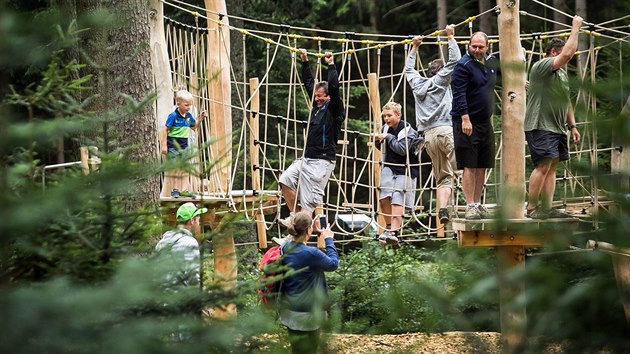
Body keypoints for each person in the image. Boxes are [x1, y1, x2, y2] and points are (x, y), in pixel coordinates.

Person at [525, 16, 583, 219]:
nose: (567, 59)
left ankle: (547, 208)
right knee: (542, 165)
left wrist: (573, 126)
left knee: (552, 167)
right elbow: (567, 54)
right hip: (540, 124)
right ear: (553, 53)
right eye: (561, 53)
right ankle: (532, 208)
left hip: (557, 128)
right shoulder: (542, 66)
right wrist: (575, 28)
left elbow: (565, 101)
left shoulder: (562, 75)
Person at [278, 49, 345, 226]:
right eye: (315, 96)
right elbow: (309, 83)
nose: (316, 99)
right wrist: (305, 61)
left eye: (320, 96)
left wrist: (331, 65)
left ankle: (298, 237)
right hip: (307, 159)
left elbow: (335, 88)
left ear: (328, 96)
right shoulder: (316, 107)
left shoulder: (335, 110)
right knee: (285, 180)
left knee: (308, 205)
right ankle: (295, 218)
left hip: (321, 163)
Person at [406, 24, 461, 225]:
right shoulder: (441, 82)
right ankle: (475, 204)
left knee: (444, 178)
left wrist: (414, 48)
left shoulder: (417, 84)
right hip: (446, 131)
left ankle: (443, 209)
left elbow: (409, 70)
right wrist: (451, 37)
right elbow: (454, 61)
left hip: (428, 137)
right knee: (465, 169)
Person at [450, 31, 498, 220]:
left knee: (482, 164)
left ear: (487, 47)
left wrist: (521, 83)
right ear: (468, 46)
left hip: (485, 121)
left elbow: (502, 79)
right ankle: (470, 205)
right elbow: (459, 93)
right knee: (469, 164)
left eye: (481, 47)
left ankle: (478, 203)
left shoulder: (491, 63)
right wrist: (465, 118)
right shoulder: (463, 66)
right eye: (474, 46)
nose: (477, 50)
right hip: (466, 121)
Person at [279, 211, 338, 354]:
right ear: (308, 230)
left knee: (296, 350)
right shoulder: (311, 253)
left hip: (290, 311)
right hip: (308, 314)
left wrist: (315, 231)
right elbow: (333, 264)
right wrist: (328, 239)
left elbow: (298, 243)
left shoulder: (285, 247)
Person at [374, 102, 423, 246]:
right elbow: (384, 147)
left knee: (397, 198)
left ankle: (394, 232)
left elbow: (402, 149)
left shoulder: (408, 130)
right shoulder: (385, 128)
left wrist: (387, 137)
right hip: (390, 165)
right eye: (384, 116)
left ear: (398, 115)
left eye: (389, 116)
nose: (386, 119)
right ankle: (388, 227)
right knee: (383, 196)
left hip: (406, 168)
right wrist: (378, 140)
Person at [161, 90, 207, 196]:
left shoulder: (188, 116)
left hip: (185, 146)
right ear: (178, 104)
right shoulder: (173, 116)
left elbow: (193, 126)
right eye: (186, 105)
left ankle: (185, 190)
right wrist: (164, 145)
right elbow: (165, 129)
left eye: (190, 105)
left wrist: (200, 118)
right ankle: (175, 190)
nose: (188, 107)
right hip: (174, 146)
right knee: (176, 168)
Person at [155, 202, 207, 287]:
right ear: (192, 221)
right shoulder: (190, 242)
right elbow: (193, 277)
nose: (199, 224)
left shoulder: (162, 242)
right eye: (198, 220)